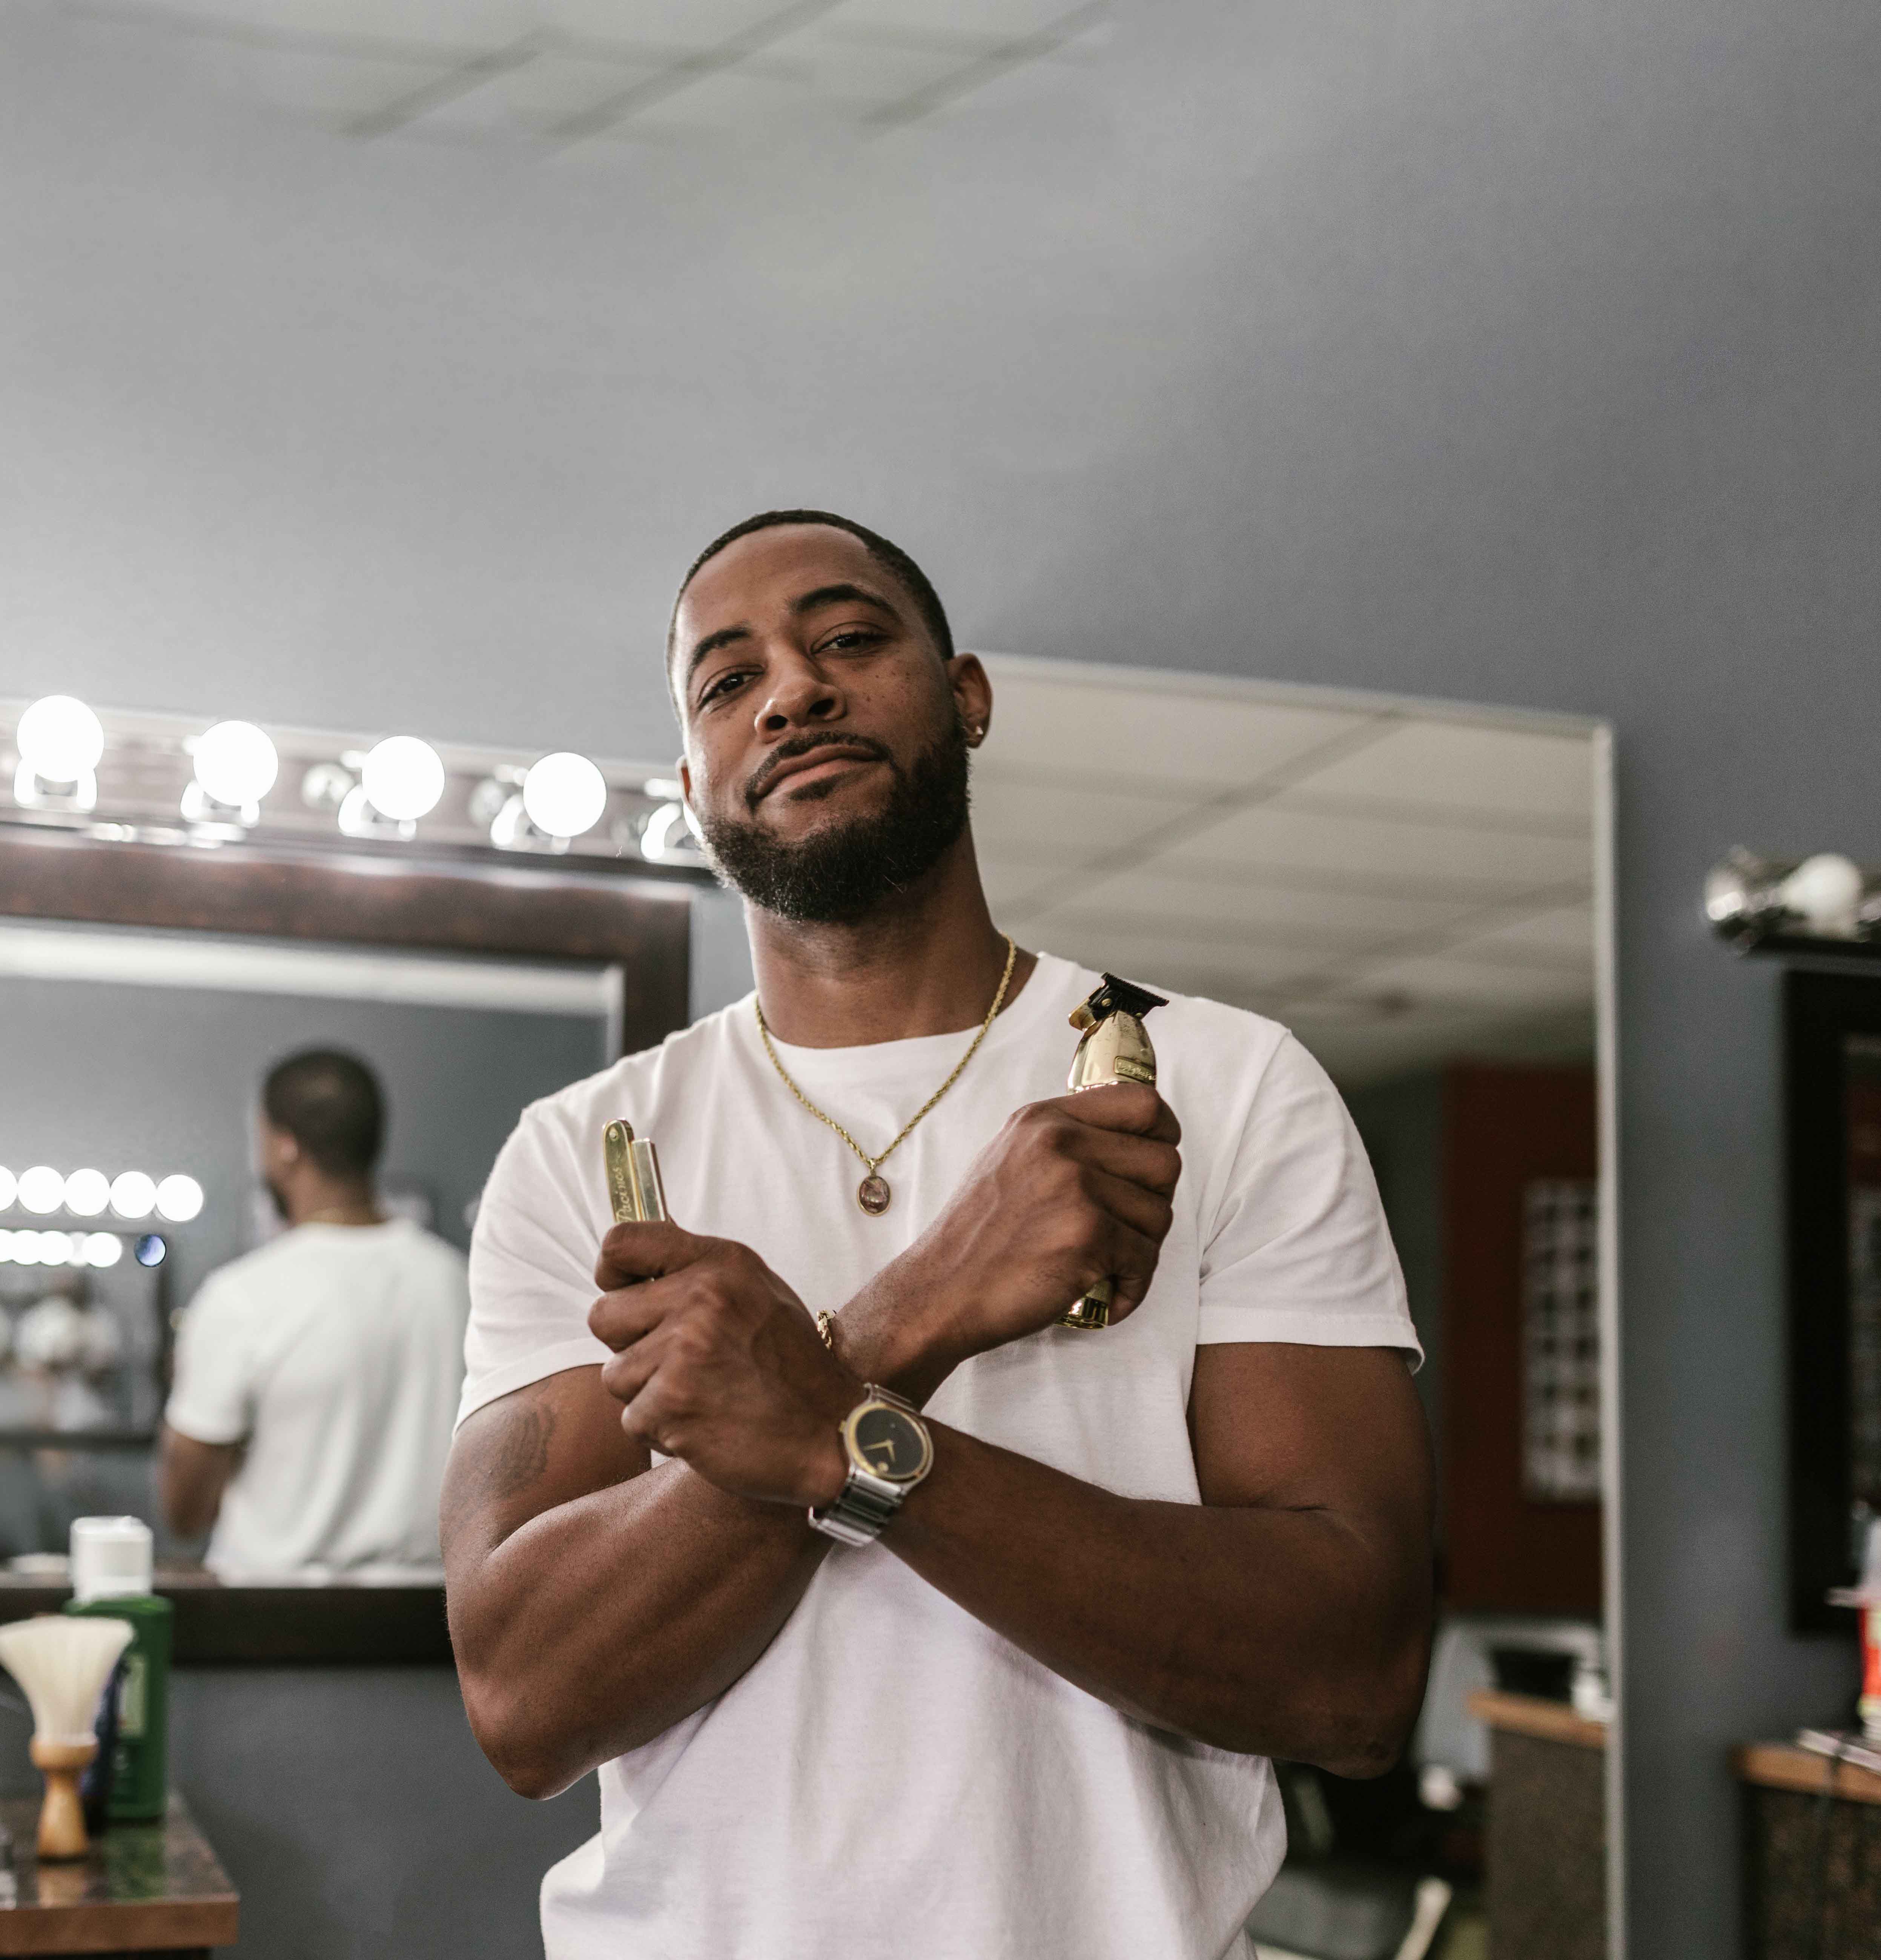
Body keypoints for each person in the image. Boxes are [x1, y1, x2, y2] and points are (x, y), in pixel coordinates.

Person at [442, 511, 1434, 1960]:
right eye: (727, 682)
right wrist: (913, 1317)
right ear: (690, 782)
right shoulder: (584, 1152)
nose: (790, 691)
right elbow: (526, 1703)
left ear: (964, 696)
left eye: (847, 638)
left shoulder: (1223, 1086)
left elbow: (1351, 1676)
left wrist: (829, 1430)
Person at [160, 1048, 469, 1575]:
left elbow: (185, 1512)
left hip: (272, 1625)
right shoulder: (460, 1283)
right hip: (435, 1625)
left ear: (284, 1148)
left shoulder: (243, 1296)